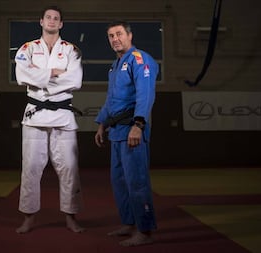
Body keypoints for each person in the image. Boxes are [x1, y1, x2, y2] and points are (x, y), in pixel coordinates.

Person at [14, 5, 84, 233]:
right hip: (34, 116)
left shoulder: (72, 50)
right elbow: (21, 74)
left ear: (61, 24)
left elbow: (75, 80)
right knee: (31, 167)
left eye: (56, 18)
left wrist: (40, 76)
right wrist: (54, 73)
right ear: (41, 21)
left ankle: (70, 216)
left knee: (69, 168)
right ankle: (28, 217)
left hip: (63, 116)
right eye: (48, 17)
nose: (52, 21)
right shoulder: (28, 48)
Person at [94, 20, 158, 246]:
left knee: (137, 182)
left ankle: (145, 230)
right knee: (119, 181)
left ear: (129, 35)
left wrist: (138, 125)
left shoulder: (140, 60)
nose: (115, 39)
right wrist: (102, 124)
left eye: (119, 34)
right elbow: (111, 99)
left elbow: (146, 94)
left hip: (132, 129)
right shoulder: (115, 65)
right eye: (111, 35)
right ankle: (129, 223)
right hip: (116, 132)